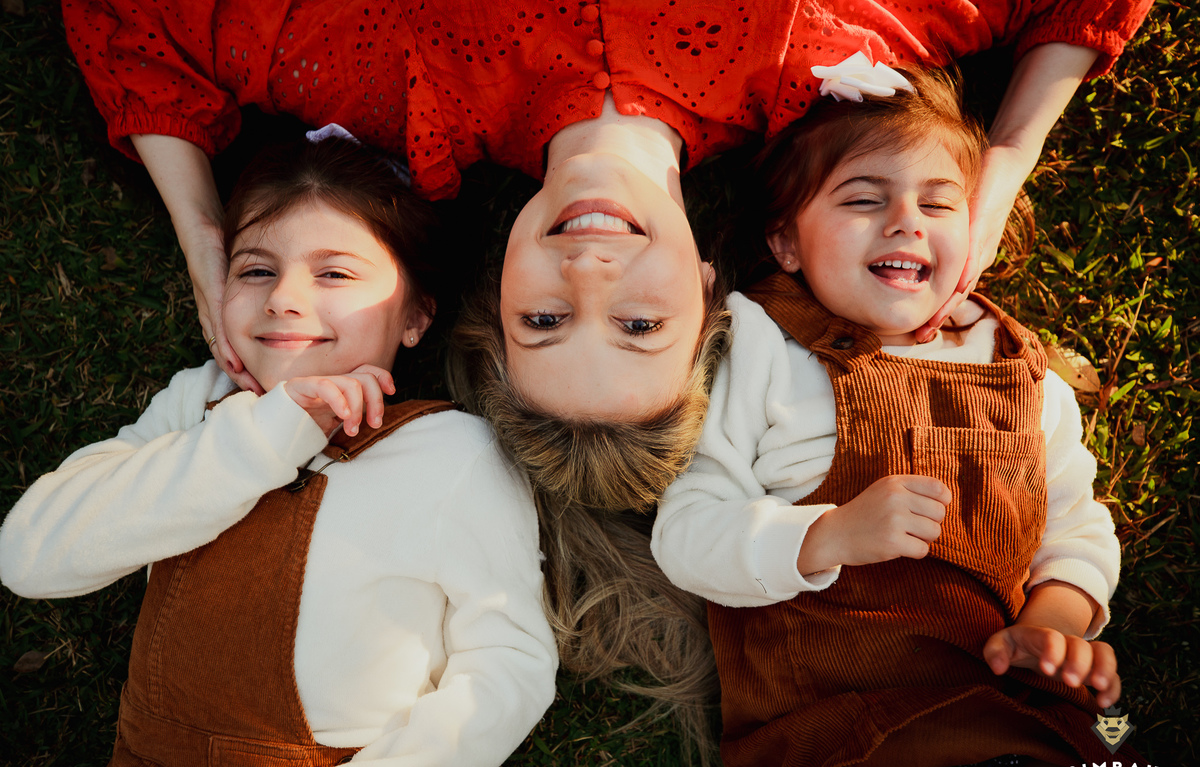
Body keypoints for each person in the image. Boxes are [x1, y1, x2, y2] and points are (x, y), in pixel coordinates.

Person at [63, 0, 1152, 453]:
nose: (591, 268)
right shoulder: (821, 43)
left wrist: (204, 239)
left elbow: (130, 18)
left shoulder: (396, 79)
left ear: (496, 283)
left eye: (545, 317)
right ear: (711, 288)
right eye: (636, 325)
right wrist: (1003, 165)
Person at [651, 66, 1160, 767]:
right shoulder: (766, 347)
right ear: (786, 244)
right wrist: (825, 535)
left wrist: (1055, 628)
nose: (906, 222)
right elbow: (686, 533)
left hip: (1019, 703)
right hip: (855, 724)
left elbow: (1076, 525)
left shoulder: (1026, 374)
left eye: (938, 203)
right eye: (863, 199)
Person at [0, 134, 557, 767]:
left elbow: (509, 664)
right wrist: (262, 437)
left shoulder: (454, 454)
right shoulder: (199, 407)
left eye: (335, 273)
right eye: (256, 270)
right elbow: (28, 555)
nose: (284, 299)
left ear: (415, 315)